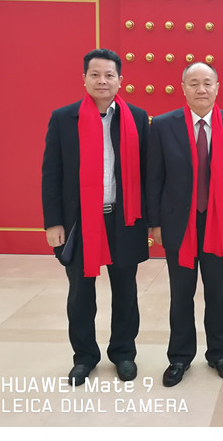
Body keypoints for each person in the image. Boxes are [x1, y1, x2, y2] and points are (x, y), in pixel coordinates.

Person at [42, 48, 149, 386]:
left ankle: (123, 353)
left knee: (125, 291)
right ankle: (84, 357)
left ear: (120, 80)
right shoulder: (64, 118)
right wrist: (53, 222)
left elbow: (148, 173)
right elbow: (51, 173)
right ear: (84, 79)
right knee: (80, 293)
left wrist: (151, 220)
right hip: (78, 221)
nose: (102, 81)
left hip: (123, 219)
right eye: (95, 75)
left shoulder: (137, 118)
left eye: (109, 75)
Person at [146, 62, 223, 387]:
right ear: (183, 88)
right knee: (181, 294)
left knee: (218, 293)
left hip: (220, 222)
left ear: (218, 87)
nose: (201, 89)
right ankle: (179, 357)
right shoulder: (163, 125)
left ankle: (219, 354)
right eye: (194, 83)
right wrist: (155, 223)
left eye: (207, 82)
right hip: (179, 224)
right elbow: (154, 177)